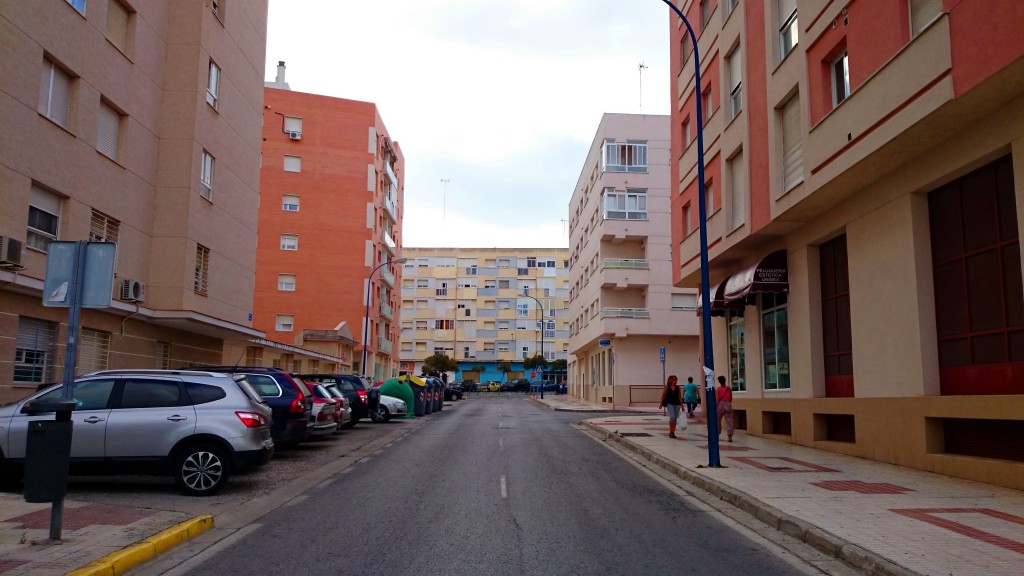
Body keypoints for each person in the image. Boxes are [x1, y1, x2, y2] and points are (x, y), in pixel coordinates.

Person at [716, 375, 734, 442]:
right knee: (729, 421)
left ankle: (717, 434)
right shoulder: (729, 389)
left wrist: (716, 405)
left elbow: (717, 399)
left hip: (720, 405)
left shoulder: (718, 389)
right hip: (728, 405)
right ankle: (730, 436)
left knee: (717, 421)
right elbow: (730, 398)